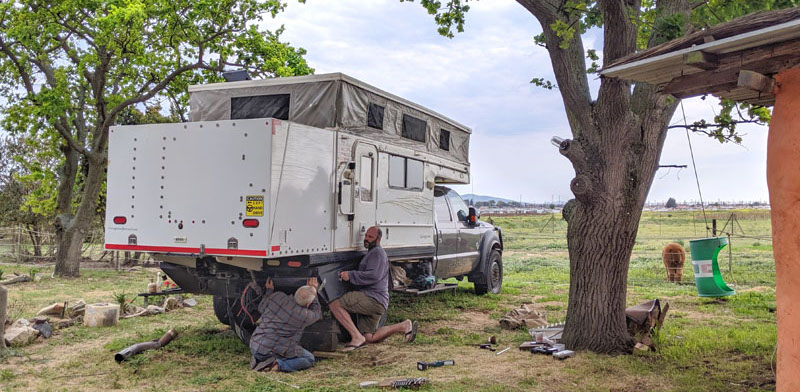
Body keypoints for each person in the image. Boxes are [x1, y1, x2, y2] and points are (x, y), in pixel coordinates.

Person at [328, 226, 418, 351]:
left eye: (370, 237)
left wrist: (350, 275)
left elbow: (374, 275)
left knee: (335, 304)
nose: (366, 239)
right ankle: (403, 326)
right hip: (379, 302)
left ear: (378, 239)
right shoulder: (373, 253)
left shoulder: (377, 253)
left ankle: (356, 337)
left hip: (372, 298)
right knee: (370, 337)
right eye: (366, 236)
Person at [248, 277, 321, 372]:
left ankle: (260, 359)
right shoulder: (304, 316)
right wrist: (314, 293)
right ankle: (277, 365)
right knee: (309, 359)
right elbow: (317, 313)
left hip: (255, 345)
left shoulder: (277, 296)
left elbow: (261, 308)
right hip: (272, 351)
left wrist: (269, 291)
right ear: (308, 304)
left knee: (270, 344)